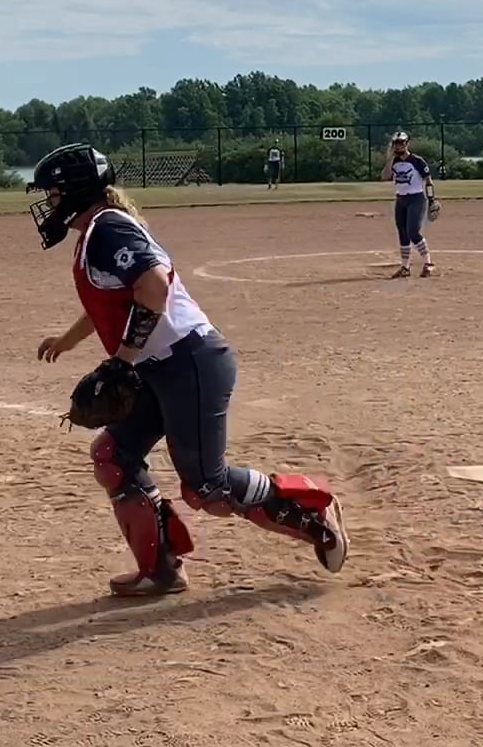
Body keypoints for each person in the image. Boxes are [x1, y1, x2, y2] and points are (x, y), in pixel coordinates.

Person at [29, 143, 349, 597]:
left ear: (79, 191)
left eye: (55, 194)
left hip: (190, 361)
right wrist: (68, 340)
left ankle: (312, 509)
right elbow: (114, 301)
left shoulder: (107, 229)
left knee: (207, 488)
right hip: (162, 366)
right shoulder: (97, 233)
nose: (50, 204)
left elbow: (153, 286)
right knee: (113, 456)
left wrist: (122, 360)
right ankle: (160, 569)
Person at [382, 131, 438, 278]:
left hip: (416, 199)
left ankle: (428, 264)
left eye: (401, 143)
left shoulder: (417, 161)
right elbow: (385, 176)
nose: (398, 146)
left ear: (407, 143)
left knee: (413, 232)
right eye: (396, 143)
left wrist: (432, 199)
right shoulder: (393, 161)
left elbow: (428, 181)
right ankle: (405, 267)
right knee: (402, 233)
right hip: (401, 199)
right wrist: (389, 158)